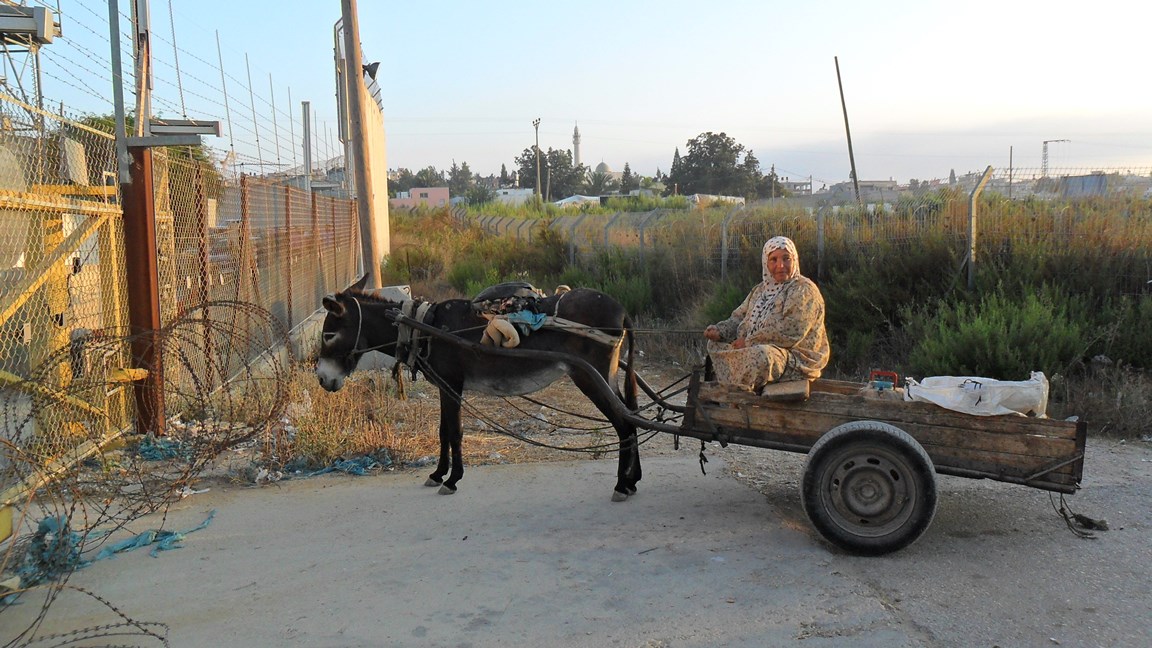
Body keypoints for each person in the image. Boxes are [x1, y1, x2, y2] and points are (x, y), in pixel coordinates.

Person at [704, 236, 829, 391]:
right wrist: (719, 331)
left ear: (794, 259)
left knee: (761, 356)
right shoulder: (760, 290)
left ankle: (740, 393)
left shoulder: (803, 290)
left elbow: (790, 332)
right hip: (754, 347)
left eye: (786, 258)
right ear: (766, 262)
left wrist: (749, 342)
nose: (780, 265)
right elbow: (738, 318)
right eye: (773, 260)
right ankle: (733, 388)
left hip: (793, 358)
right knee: (715, 344)